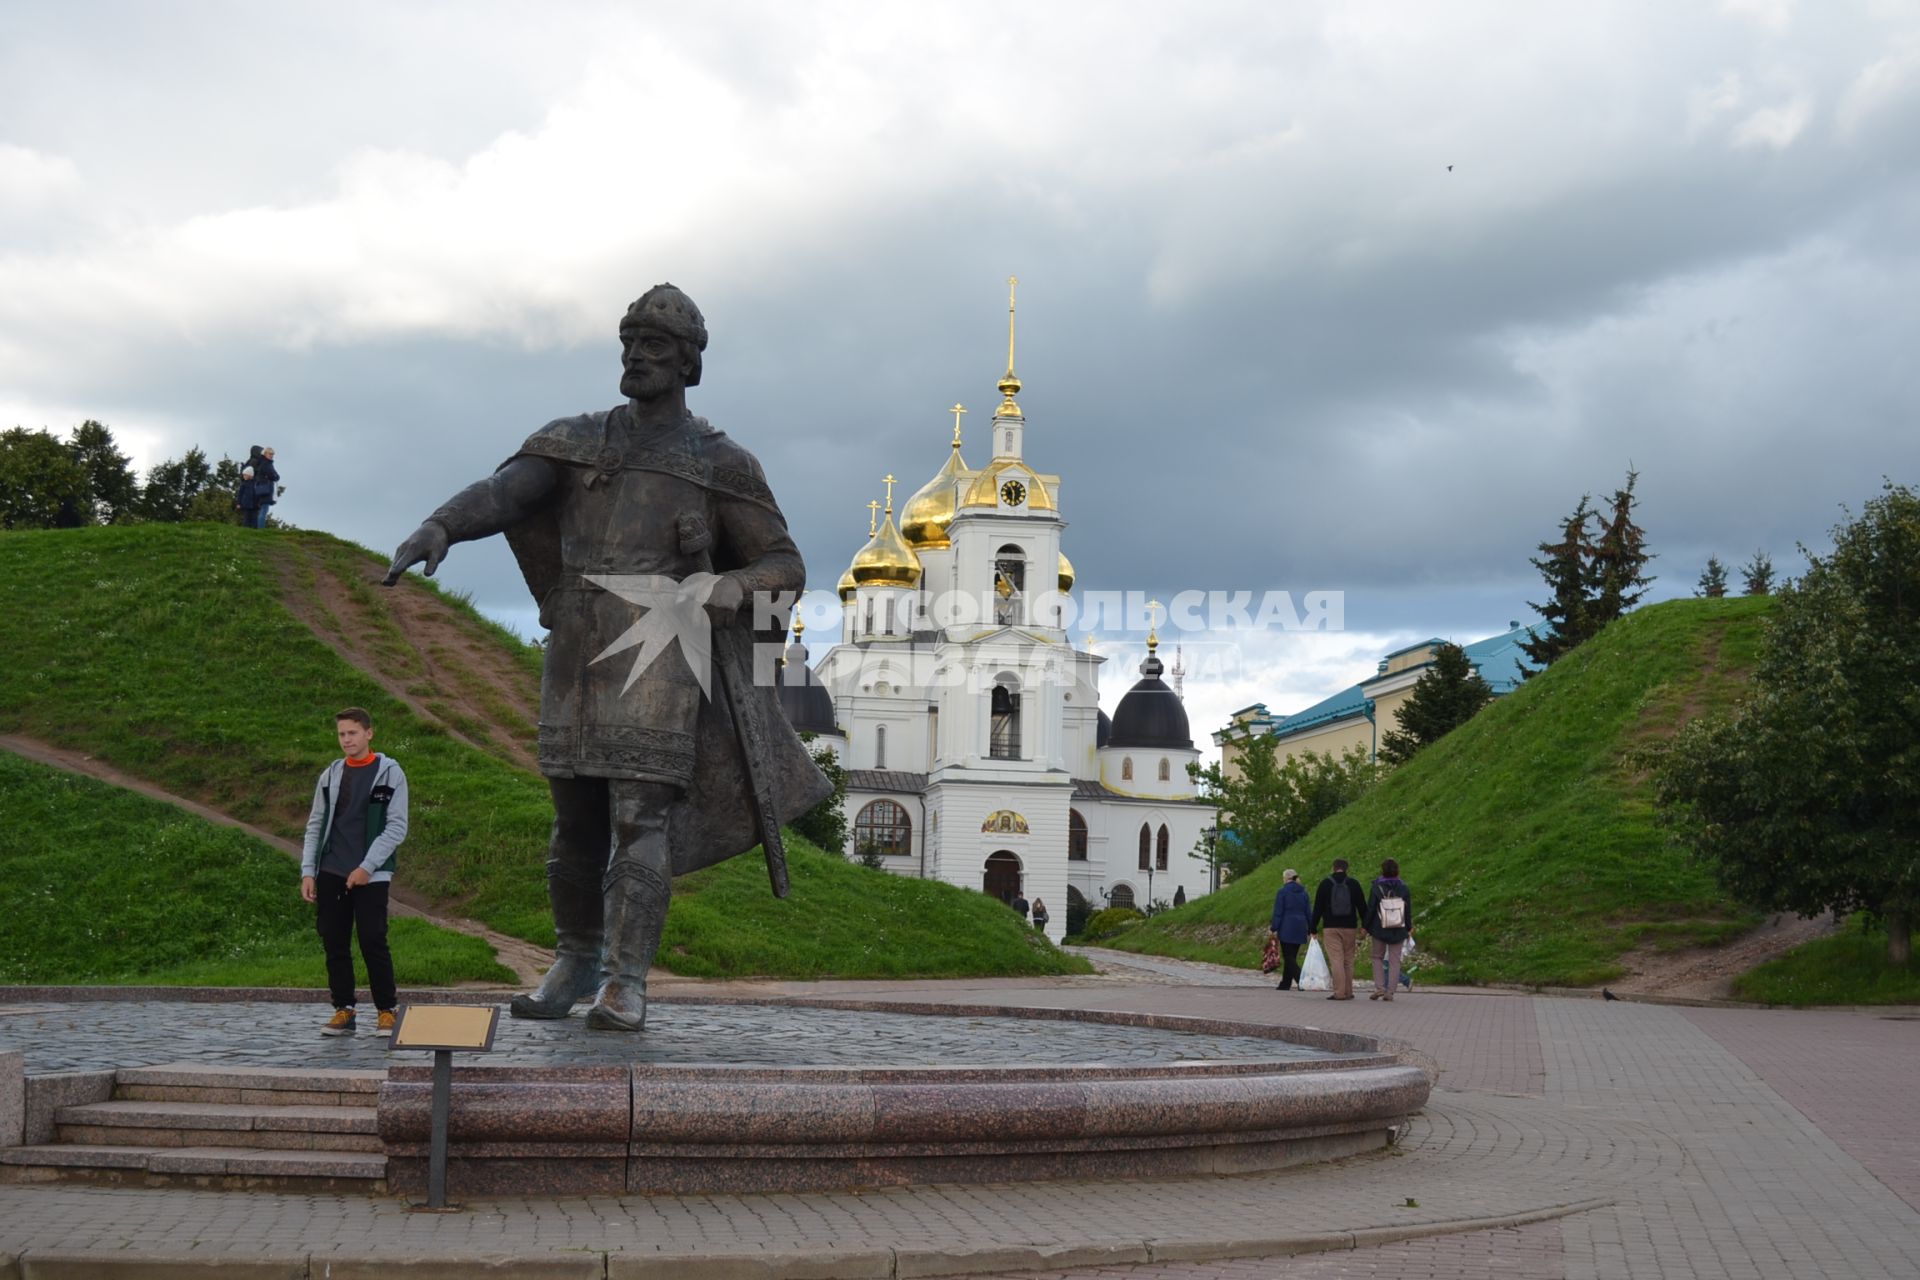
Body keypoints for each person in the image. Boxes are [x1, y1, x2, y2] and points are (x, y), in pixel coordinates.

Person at [383, 283, 830, 1032]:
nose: (636, 356)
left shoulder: (721, 464)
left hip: (663, 653)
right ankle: (574, 960)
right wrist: (441, 526)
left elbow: (784, 565)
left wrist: (728, 583)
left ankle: (627, 981)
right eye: (629, 342)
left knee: (638, 816)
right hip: (579, 648)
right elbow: (502, 494)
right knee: (573, 821)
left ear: (688, 364)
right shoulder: (575, 439)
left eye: (654, 346)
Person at [300, 707, 409, 1036]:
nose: (346, 739)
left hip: (371, 874)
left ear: (368, 733)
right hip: (331, 868)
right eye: (341, 734)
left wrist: (367, 866)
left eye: (352, 733)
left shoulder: (390, 773)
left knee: (373, 939)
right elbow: (316, 824)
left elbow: (396, 827)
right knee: (334, 941)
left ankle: (386, 1011)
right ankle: (344, 1009)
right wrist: (308, 870)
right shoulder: (331, 774)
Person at [1309, 857, 1365, 1000]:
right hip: (1350, 927)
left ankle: (1339, 993)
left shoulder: (1325, 884)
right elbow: (1362, 907)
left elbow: (1317, 908)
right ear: (1346, 868)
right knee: (1348, 961)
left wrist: (1313, 928)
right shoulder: (1353, 884)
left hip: (1331, 927)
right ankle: (1348, 992)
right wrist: (1365, 925)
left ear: (1333, 868)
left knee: (1336, 960)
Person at [1365, 858, 1414, 1002]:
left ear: (1382, 871)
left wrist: (1366, 926)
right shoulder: (1404, 888)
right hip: (1398, 928)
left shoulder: (1376, 887)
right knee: (1394, 960)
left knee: (1377, 957)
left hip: (1379, 928)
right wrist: (1409, 927)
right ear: (1397, 871)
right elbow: (1408, 910)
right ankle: (1390, 992)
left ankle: (1379, 987)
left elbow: (1371, 908)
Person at [1268, 868, 1312, 990]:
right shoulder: (1304, 893)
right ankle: (1285, 983)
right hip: (1300, 927)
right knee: (1292, 955)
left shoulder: (1282, 892)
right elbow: (1309, 912)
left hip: (1287, 926)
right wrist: (1311, 928)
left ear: (1286, 878)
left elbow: (1278, 912)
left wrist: (1274, 927)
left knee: (1288, 956)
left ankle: (1301, 980)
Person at [251, 446, 280, 527]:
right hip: (265, 489)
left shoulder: (264, 462)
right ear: (265, 454)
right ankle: (260, 528)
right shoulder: (266, 463)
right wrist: (276, 476)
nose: (271, 456)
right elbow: (273, 475)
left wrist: (275, 476)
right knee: (264, 509)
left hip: (263, 488)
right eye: (270, 454)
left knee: (263, 509)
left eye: (272, 454)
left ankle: (260, 528)